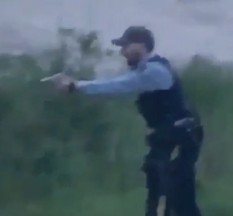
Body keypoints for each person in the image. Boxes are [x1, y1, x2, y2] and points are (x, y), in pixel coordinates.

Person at [44, 26, 204, 216]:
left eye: (126, 46)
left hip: (178, 139)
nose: (122, 51)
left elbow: (120, 85)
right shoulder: (147, 70)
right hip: (173, 138)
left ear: (142, 46)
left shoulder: (154, 71)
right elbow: (123, 82)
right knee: (175, 197)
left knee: (166, 194)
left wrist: (75, 86)